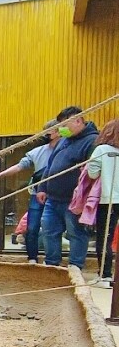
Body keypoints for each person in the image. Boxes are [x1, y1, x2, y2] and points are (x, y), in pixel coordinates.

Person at [36, 106, 100, 270]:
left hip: (74, 200)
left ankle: (75, 266)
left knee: (76, 234)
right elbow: (50, 165)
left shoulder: (93, 141)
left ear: (78, 121)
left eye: (65, 125)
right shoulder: (64, 139)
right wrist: (42, 186)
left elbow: (91, 173)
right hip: (52, 197)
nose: (61, 129)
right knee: (49, 231)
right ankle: (52, 264)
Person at [0, 120, 60, 263]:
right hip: (37, 193)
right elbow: (20, 166)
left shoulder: (68, 150)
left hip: (58, 194)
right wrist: (1, 175)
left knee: (53, 229)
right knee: (32, 227)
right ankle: (32, 258)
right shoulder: (38, 152)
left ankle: (53, 260)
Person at [87, 119, 119, 287]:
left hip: (110, 200)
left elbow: (92, 173)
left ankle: (105, 276)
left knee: (104, 237)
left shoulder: (102, 150)